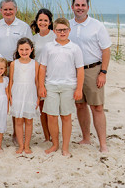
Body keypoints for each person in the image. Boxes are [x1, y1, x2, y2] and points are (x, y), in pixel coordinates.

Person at [69, 0, 111, 153]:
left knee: (97, 107)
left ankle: (103, 144)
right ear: (72, 7)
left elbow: (106, 50)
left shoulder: (97, 26)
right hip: (73, 71)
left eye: (83, 5)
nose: (80, 8)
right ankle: (86, 138)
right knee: (80, 105)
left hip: (93, 70)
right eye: (77, 5)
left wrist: (103, 72)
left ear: (88, 7)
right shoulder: (68, 25)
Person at [38, 18, 84, 156]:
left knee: (66, 116)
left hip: (68, 86)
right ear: (54, 31)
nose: (62, 32)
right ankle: (55, 144)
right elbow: (42, 68)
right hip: (51, 85)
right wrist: (41, 86)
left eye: (65, 30)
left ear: (69, 31)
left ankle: (65, 147)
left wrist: (79, 89)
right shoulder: (48, 47)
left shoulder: (75, 48)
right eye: (59, 30)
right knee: (51, 116)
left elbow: (80, 69)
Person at [0, 0, 33, 143]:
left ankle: (16, 134)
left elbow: (29, 48)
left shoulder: (24, 26)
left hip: (18, 67)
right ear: (1, 10)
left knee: (16, 100)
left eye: (10, 9)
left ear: (15, 10)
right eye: (5, 9)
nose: (8, 12)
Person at [9, 38, 40, 154]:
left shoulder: (35, 64)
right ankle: (20, 145)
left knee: (29, 120)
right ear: (18, 50)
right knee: (18, 120)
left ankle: (27, 145)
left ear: (31, 50)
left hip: (30, 93)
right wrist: (10, 96)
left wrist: (38, 98)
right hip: (17, 93)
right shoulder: (13, 64)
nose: (24, 52)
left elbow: (37, 81)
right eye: (21, 49)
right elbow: (11, 81)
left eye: (27, 49)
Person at [31, 8, 55, 142]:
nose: (43, 22)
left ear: (50, 22)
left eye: (45, 20)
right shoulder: (34, 38)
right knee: (41, 107)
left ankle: (54, 135)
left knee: (51, 107)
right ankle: (47, 137)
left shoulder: (54, 36)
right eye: (40, 20)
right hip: (37, 75)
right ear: (37, 21)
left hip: (52, 75)